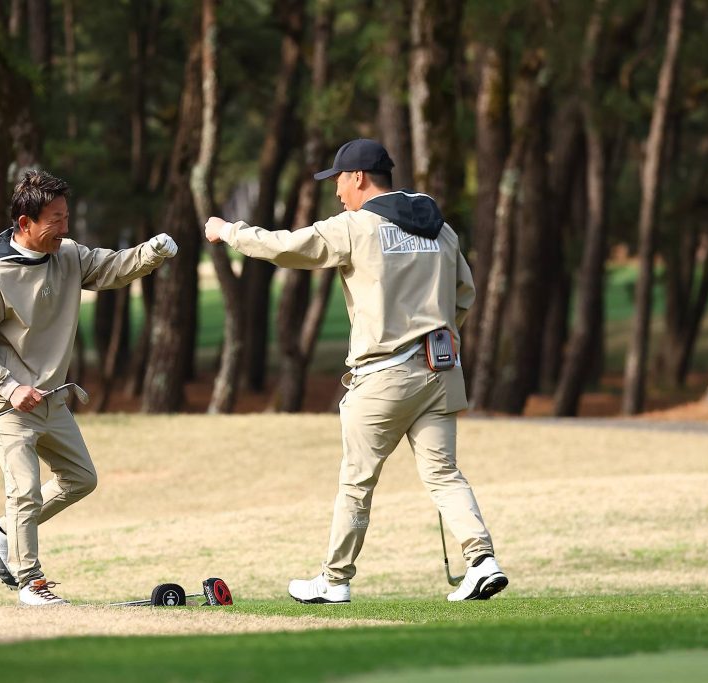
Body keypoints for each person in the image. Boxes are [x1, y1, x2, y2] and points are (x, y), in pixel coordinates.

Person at [204, 139, 507, 603]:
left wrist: (229, 231)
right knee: (444, 474)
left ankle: (334, 580)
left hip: (383, 377)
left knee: (356, 483)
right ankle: (482, 560)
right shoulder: (440, 229)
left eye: (339, 180)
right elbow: (464, 292)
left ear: (359, 177)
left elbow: (286, 247)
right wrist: (439, 334)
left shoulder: (355, 227)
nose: (337, 191)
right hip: (440, 370)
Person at [0, 169, 177, 606]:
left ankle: (2, 534)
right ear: (25, 223)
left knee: (80, 479)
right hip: (5, 403)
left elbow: (111, 268)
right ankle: (29, 582)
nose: (64, 227)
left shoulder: (69, 255)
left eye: (66, 217)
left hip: (51, 397)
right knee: (24, 488)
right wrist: (10, 387)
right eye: (55, 219)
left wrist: (151, 252)